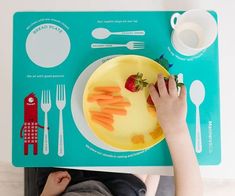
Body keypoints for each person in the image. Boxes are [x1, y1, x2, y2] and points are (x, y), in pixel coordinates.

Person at [40, 74, 203, 196]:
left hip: (66, 185)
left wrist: (47, 194)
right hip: (118, 191)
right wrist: (176, 127)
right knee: (147, 163)